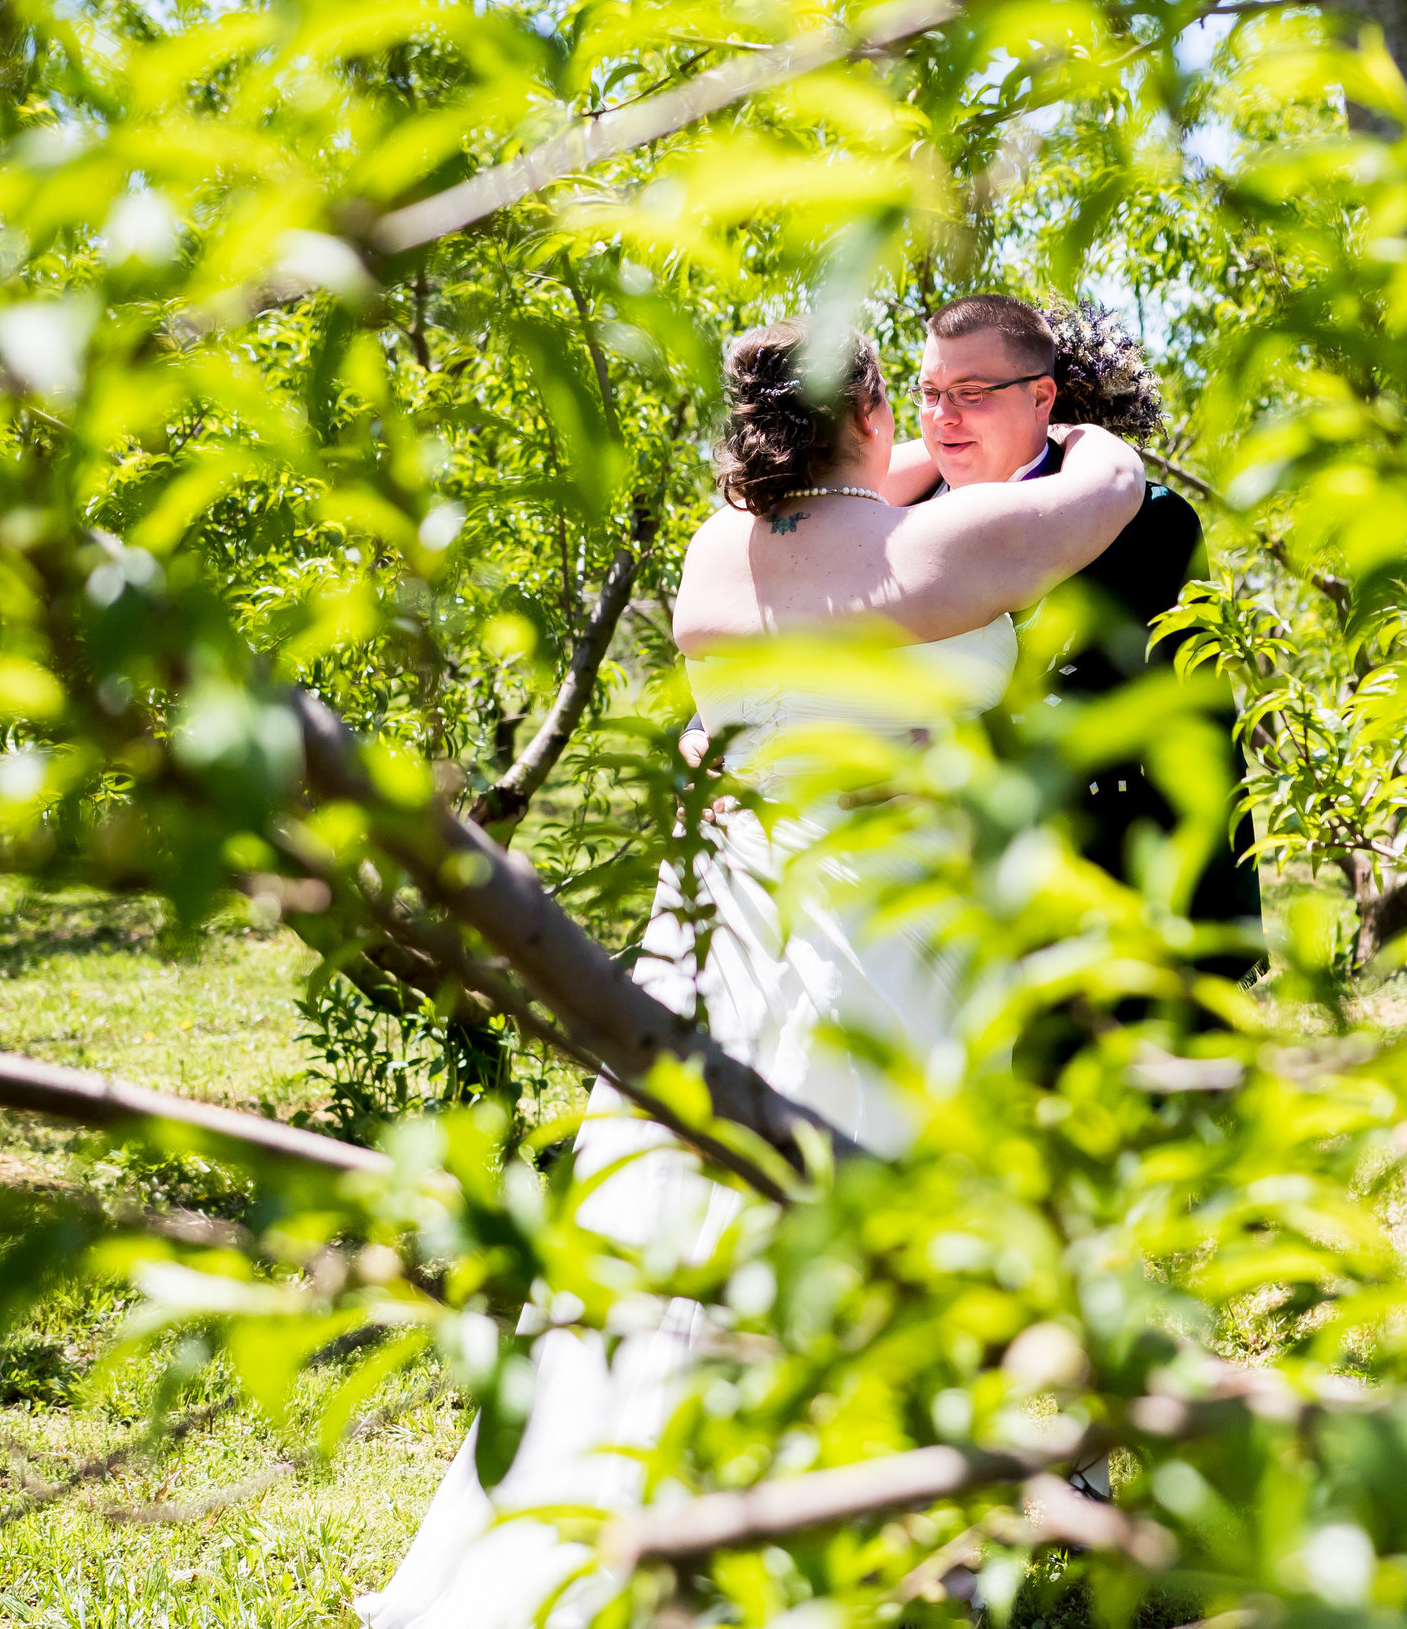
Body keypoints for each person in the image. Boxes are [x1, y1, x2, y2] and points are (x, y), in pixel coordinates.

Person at [355, 319, 1147, 1629]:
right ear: (872, 414)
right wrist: (1081, 435)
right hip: (871, 920)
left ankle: (654, 1511)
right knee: (865, 1182)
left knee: (680, 1211)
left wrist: (905, 455)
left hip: (728, 913)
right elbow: (1099, 501)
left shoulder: (723, 550)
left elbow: (850, 521)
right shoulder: (933, 551)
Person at [891, 293, 1261, 960]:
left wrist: (1216, 932)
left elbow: (1183, 719)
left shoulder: (1148, 523)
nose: (942, 418)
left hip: (1102, 901)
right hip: (917, 906)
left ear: (1042, 399)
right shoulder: (893, 514)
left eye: (970, 393)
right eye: (930, 392)